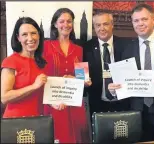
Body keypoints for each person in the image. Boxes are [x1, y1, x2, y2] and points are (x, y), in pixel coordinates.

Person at [108, 4, 154, 141]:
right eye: (136, 20)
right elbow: (121, 80)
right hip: (137, 109)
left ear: (153, 20)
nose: (140, 24)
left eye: (144, 19)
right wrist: (114, 89)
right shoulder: (126, 48)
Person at [43, 8, 91, 143]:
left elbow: (83, 78)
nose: (66, 25)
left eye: (69, 21)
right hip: (53, 103)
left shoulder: (79, 49)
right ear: (55, 24)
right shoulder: (45, 46)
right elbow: (40, 75)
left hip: (74, 103)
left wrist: (81, 80)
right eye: (62, 21)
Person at [83, 10, 130, 116]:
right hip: (97, 104)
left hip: (122, 103)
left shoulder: (126, 45)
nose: (102, 28)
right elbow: (82, 75)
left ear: (112, 25)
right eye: (98, 25)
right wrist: (84, 82)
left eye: (105, 24)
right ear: (94, 27)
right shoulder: (86, 48)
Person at [1, 17, 47, 118]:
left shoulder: (41, 63)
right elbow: (4, 97)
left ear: (39, 35)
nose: (30, 38)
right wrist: (34, 86)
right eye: (24, 34)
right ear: (18, 38)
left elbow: (41, 95)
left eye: (33, 33)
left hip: (38, 120)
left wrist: (56, 101)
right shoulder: (10, 61)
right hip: (16, 122)